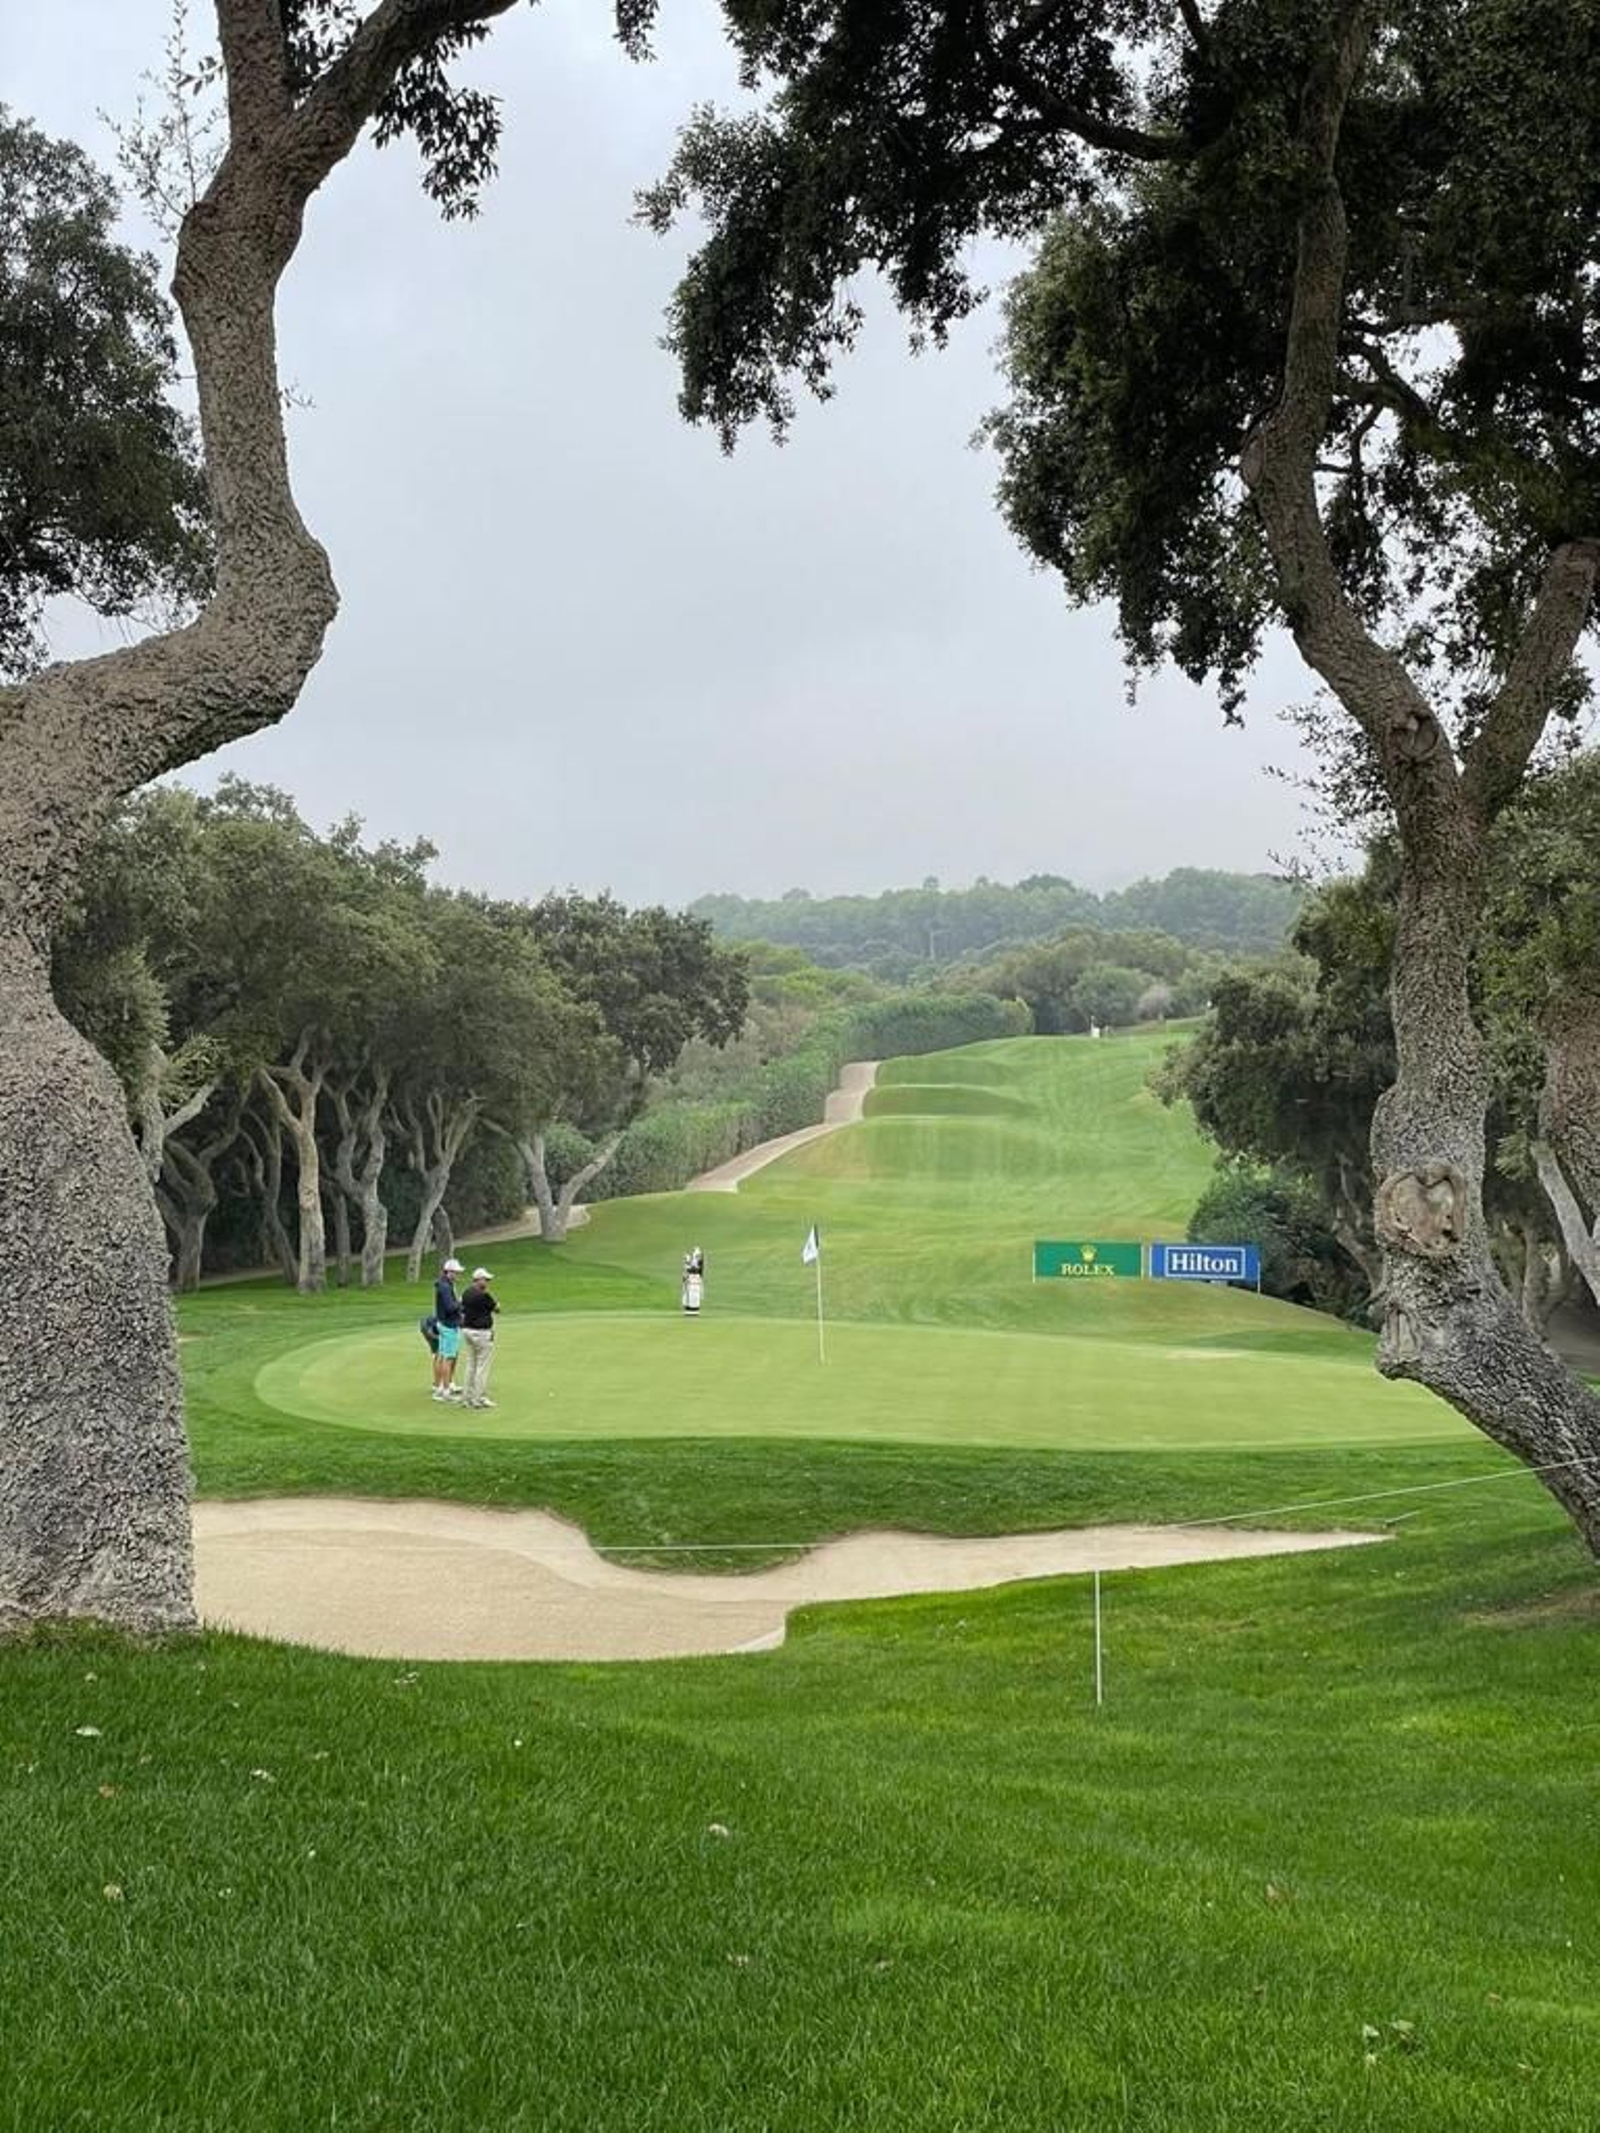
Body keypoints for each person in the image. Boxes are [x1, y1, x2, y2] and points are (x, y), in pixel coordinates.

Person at [460, 1267, 500, 1410]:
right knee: (482, 1367)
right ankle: (479, 1398)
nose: (487, 1282)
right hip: (481, 1333)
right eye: (486, 1280)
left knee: (471, 1365)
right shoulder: (484, 1295)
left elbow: (462, 1307)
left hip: (467, 1331)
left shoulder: (466, 1292)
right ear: (478, 1280)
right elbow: (497, 1308)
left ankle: (466, 1398)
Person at [431, 1255, 466, 1402]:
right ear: (449, 1272)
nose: (458, 1274)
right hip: (448, 1325)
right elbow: (450, 1307)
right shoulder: (445, 1287)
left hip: (446, 1324)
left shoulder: (446, 1284)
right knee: (448, 1357)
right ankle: (445, 1391)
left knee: (445, 1355)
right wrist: (460, 1303)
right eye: (456, 1272)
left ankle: (443, 1386)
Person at [682, 1246, 705, 1315]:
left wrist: (688, 1263)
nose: (698, 1256)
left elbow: (697, 1269)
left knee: (694, 1295)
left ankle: (694, 1310)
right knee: (689, 1295)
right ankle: (689, 1309)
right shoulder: (694, 1262)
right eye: (697, 1255)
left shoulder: (698, 1262)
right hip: (692, 1280)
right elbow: (690, 1269)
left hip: (695, 1280)